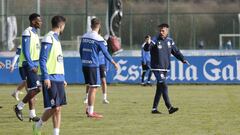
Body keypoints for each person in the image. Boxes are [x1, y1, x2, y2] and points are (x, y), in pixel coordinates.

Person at [144, 23, 189, 114]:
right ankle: (169, 107)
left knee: (160, 88)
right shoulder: (155, 39)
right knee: (164, 85)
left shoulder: (170, 41)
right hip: (156, 67)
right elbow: (147, 49)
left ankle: (154, 109)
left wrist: (183, 59)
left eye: (163, 30)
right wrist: (147, 43)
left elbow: (176, 52)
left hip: (165, 67)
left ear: (167, 31)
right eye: (160, 30)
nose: (161, 32)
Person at [33, 15, 67, 135]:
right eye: (64, 26)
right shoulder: (48, 38)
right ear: (60, 25)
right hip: (50, 78)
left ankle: (55, 133)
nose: (64, 28)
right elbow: (42, 59)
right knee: (54, 107)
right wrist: (46, 77)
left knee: (59, 108)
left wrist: (63, 77)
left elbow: (58, 60)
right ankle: (38, 125)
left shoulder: (57, 39)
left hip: (59, 78)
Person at [80, 18, 118, 118]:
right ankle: (91, 112)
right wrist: (114, 62)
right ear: (99, 26)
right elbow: (105, 53)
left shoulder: (84, 36)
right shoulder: (99, 39)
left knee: (90, 86)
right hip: (93, 65)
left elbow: (81, 50)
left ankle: (89, 109)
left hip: (85, 64)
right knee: (94, 88)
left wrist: (83, 60)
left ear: (91, 25)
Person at [14, 13, 42, 122]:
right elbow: (25, 51)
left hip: (33, 64)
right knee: (37, 88)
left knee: (32, 90)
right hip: (27, 65)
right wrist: (31, 65)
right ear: (33, 21)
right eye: (39, 20)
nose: (41, 22)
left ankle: (32, 114)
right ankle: (19, 107)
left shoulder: (35, 33)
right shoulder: (27, 32)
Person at [84, 33, 110, 104]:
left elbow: (106, 54)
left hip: (101, 64)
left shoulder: (103, 42)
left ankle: (104, 98)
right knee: (90, 82)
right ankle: (86, 97)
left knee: (103, 81)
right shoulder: (93, 42)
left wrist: (107, 66)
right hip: (94, 63)